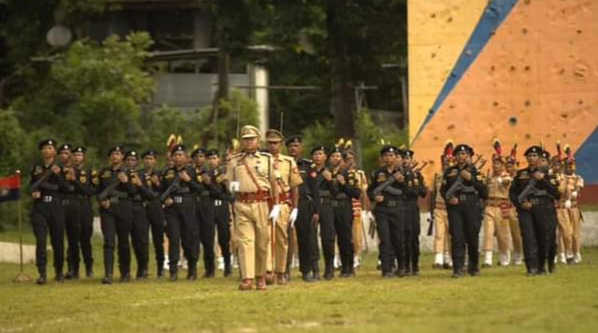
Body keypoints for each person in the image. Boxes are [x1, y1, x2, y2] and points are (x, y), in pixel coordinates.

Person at [224, 125, 281, 291]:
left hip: (262, 203)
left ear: (258, 140)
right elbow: (229, 183)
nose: (248, 142)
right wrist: (234, 187)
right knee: (245, 242)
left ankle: (261, 276)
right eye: (245, 139)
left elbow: (274, 184)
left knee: (262, 243)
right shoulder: (235, 160)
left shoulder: (267, 159)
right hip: (242, 203)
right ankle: (247, 278)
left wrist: (276, 205)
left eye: (251, 139)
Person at [509, 145, 560, 275]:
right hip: (525, 210)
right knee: (528, 237)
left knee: (543, 237)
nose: (532, 158)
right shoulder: (521, 174)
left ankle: (542, 265)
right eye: (529, 156)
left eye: (535, 156)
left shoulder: (548, 175)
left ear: (539, 158)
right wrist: (520, 204)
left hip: (543, 208)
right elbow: (513, 193)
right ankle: (531, 267)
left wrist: (542, 180)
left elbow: (557, 194)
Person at [440, 144, 488, 278]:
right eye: (458, 154)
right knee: (457, 237)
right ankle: (458, 268)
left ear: (468, 156)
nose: (460, 157)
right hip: (455, 208)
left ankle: (473, 266)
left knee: (472, 238)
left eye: (463, 154)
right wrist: (448, 199)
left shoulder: (475, 172)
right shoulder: (450, 171)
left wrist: (470, 179)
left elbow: (484, 192)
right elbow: (443, 190)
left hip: (471, 206)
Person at [368, 145, 414, 278]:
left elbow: (411, 193)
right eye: (386, 156)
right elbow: (370, 191)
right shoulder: (378, 173)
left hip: (398, 209)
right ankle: (386, 268)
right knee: (385, 239)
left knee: (398, 239)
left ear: (396, 157)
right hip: (382, 209)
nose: (389, 158)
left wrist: (402, 182)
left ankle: (402, 266)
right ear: (382, 158)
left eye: (391, 155)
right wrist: (375, 197)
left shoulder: (405, 173)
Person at [264, 129, 303, 285]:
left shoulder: (288, 162)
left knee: (282, 239)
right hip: (264, 203)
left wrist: (295, 208)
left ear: (280, 144)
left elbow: (294, 186)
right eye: (270, 143)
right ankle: (267, 271)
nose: (273, 146)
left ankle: (281, 271)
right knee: (265, 239)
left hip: (282, 204)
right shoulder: (261, 160)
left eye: (276, 143)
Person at [160, 144, 204, 281]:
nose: (178, 158)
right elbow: (160, 191)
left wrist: (188, 180)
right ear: (172, 157)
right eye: (175, 155)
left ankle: (192, 269)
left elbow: (200, 189)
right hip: (172, 209)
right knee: (173, 238)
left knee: (188, 239)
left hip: (188, 207)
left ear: (185, 157)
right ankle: (173, 271)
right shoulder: (167, 173)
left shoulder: (192, 171)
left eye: (180, 155)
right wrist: (165, 199)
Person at [95, 145, 136, 284]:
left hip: (124, 207)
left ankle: (125, 272)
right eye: (113, 154)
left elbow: (134, 193)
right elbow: (97, 191)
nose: (115, 156)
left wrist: (126, 182)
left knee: (124, 242)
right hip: (108, 209)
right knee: (109, 241)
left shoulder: (129, 173)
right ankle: (108, 274)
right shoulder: (103, 172)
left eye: (118, 154)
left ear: (122, 157)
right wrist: (102, 201)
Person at [30, 138, 69, 284]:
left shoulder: (62, 168)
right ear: (42, 151)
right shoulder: (36, 169)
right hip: (40, 207)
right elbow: (32, 186)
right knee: (40, 240)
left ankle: (59, 271)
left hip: (56, 206)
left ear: (55, 151)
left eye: (51, 148)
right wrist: (34, 193)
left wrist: (58, 174)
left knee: (57, 240)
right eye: (45, 148)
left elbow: (67, 188)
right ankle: (42, 273)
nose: (48, 150)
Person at [285, 136, 321, 282]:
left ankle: (307, 269)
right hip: (286, 203)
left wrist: (317, 210)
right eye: (291, 146)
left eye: (296, 145)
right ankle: (283, 270)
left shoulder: (308, 166)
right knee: (284, 238)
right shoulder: (282, 163)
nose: (293, 148)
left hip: (304, 204)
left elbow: (315, 190)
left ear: (301, 148)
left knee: (307, 238)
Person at [481, 139, 521, 267]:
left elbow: (506, 182)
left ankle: (505, 255)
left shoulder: (506, 177)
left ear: (502, 165)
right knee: (488, 232)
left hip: (502, 207)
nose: (495, 166)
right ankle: (487, 259)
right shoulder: (490, 177)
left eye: (498, 164)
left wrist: (501, 180)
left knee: (502, 234)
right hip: (489, 206)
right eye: (494, 164)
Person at [328, 145, 361, 277]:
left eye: (338, 156)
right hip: (330, 206)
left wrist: (343, 184)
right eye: (333, 156)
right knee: (329, 238)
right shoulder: (326, 172)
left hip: (343, 206)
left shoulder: (348, 173)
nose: (335, 159)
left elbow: (356, 193)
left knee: (345, 238)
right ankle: (331, 267)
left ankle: (348, 267)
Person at [207, 149, 233, 277]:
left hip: (222, 206)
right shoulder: (205, 173)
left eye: (214, 158)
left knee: (224, 237)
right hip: (209, 207)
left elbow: (228, 194)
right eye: (210, 159)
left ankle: (228, 265)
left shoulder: (225, 173)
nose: (212, 161)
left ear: (218, 159)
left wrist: (224, 183)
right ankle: (210, 268)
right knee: (209, 238)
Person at [141, 150, 166, 278]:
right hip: (142, 207)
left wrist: (157, 183)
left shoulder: (161, 174)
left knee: (158, 239)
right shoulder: (138, 174)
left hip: (156, 207)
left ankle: (160, 268)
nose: (149, 161)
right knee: (143, 239)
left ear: (155, 161)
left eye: (151, 158)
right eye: (146, 158)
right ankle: (144, 268)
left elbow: (164, 190)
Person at [71, 146, 95, 278]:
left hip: (84, 205)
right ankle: (73, 269)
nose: (76, 157)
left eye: (79, 155)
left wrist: (74, 180)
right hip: (70, 205)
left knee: (85, 238)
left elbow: (89, 191)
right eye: (74, 155)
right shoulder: (66, 171)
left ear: (83, 158)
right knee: (72, 239)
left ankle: (88, 267)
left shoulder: (90, 172)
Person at [402, 149, 427, 276]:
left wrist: (416, 187)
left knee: (414, 236)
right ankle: (405, 265)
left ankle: (415, 265)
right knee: (404, 237)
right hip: (402, 206)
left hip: (413, 206)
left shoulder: (417, 175)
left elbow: (423, 193)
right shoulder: (398, 174)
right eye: (403, 158)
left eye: (408, 159)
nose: (405, 161)